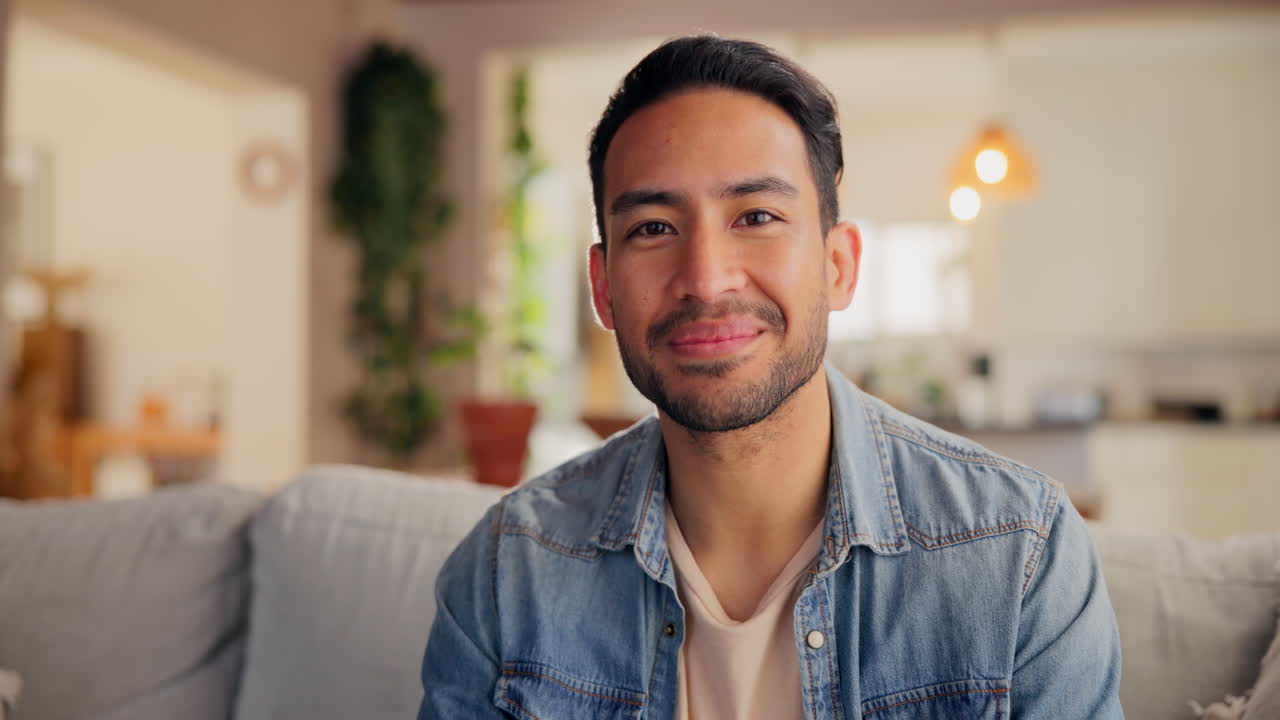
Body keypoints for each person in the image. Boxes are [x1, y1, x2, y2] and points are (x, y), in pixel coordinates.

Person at [419, 35, 1123, 719]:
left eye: (756, 216)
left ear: (839, 265)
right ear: (603, 288)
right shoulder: (505, 576)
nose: (705, 279)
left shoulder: (1021, 557)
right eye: (654, 229)